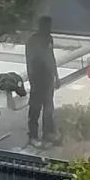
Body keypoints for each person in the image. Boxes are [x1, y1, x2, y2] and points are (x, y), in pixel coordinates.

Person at [25, 16, 58, 146]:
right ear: (41, 26)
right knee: (35, 109)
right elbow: (30, 62)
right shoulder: (33, 41)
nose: (49, 29)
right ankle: (32, 136)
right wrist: (33, 81)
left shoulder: (49, 38)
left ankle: (47, 133)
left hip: (48, 79)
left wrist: (56, 76)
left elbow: (52, 57)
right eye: (47, 26)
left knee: (49, 107)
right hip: (37, 80)